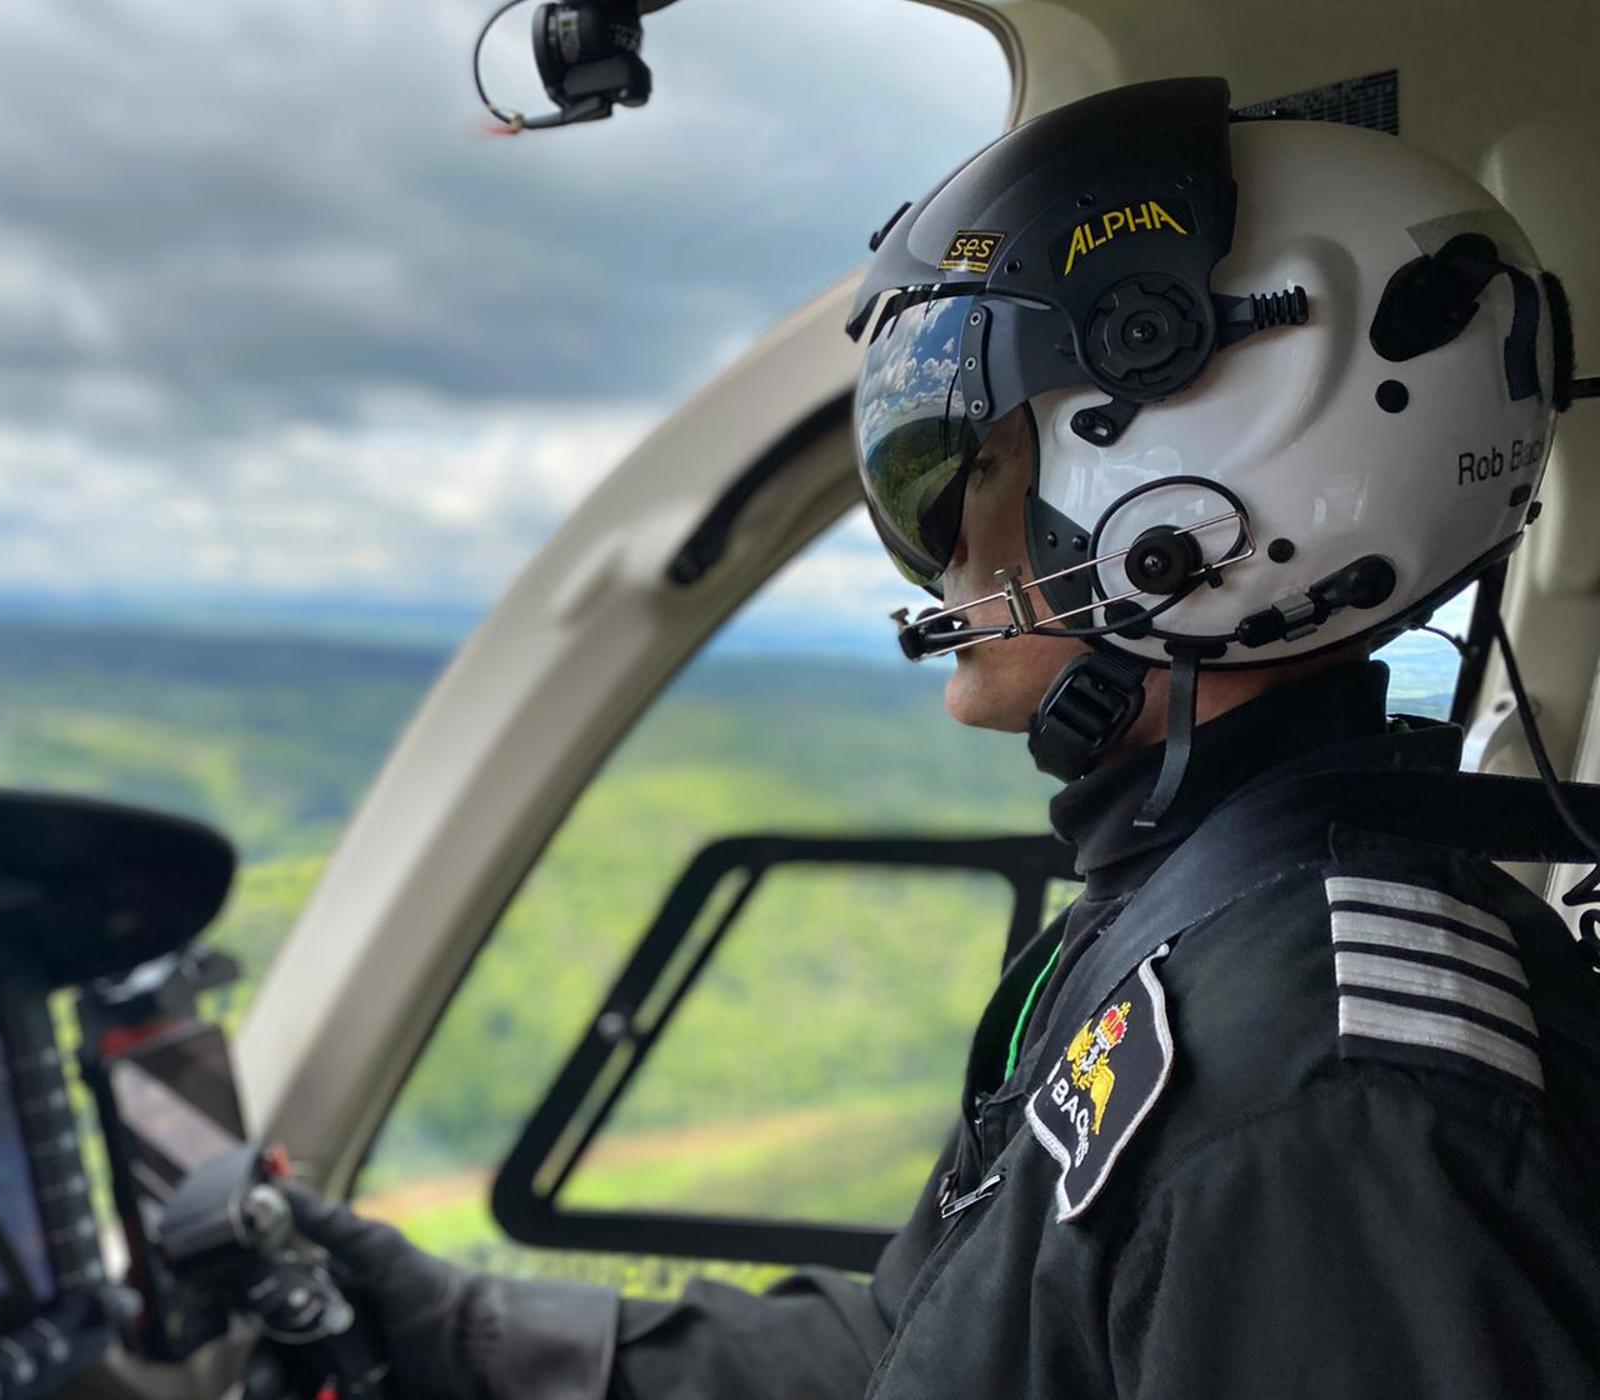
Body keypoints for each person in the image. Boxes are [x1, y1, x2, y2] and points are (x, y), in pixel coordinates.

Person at [287, 77, 1600, 1397]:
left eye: (982, 459)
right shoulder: (1182, 918)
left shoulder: (1322, 1105)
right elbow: (918, 1347)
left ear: (1205, 494)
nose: (948, 548)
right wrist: (458, 1331)